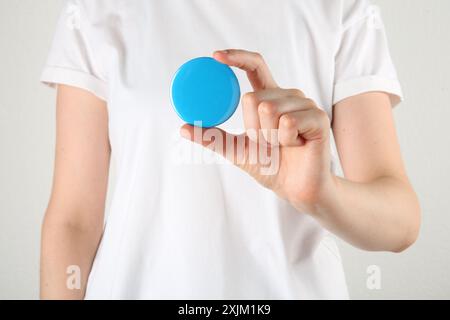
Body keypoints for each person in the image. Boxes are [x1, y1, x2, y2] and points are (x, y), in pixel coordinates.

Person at [40, 0, 421, 300]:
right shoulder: (93, 9)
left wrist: (321, 194)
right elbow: (73, 220)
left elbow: (400, 223)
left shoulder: (341, 8)